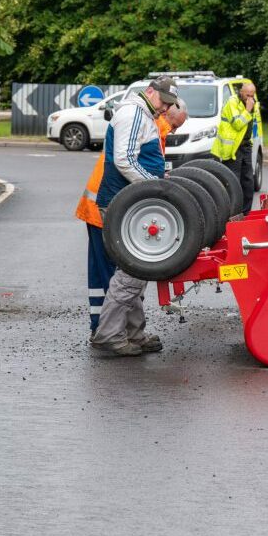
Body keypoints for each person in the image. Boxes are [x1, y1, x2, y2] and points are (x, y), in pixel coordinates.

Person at [90, 77, 181, 357]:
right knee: (132, 271)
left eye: (169, 103)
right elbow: (125, 159)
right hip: (124, 203)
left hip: (131, 203)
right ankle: (109, 335)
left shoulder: (142, 113)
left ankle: (133, 333)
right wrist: (154, 189)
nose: (165, 107)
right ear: (149, 92)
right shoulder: (132, 113)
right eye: (163, 100)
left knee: (136, 269)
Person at [212, 81, 261, 215]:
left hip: (245, 146)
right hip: (232, 149)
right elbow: (237, 124)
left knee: (248, 182)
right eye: (247, 95)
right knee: (233, 183)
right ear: (241, 92)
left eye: (252, 95)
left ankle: (246, 213)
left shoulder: (253, 103)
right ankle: (232, 213)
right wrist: (248, 110)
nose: (250, 98)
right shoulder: (232, 102)